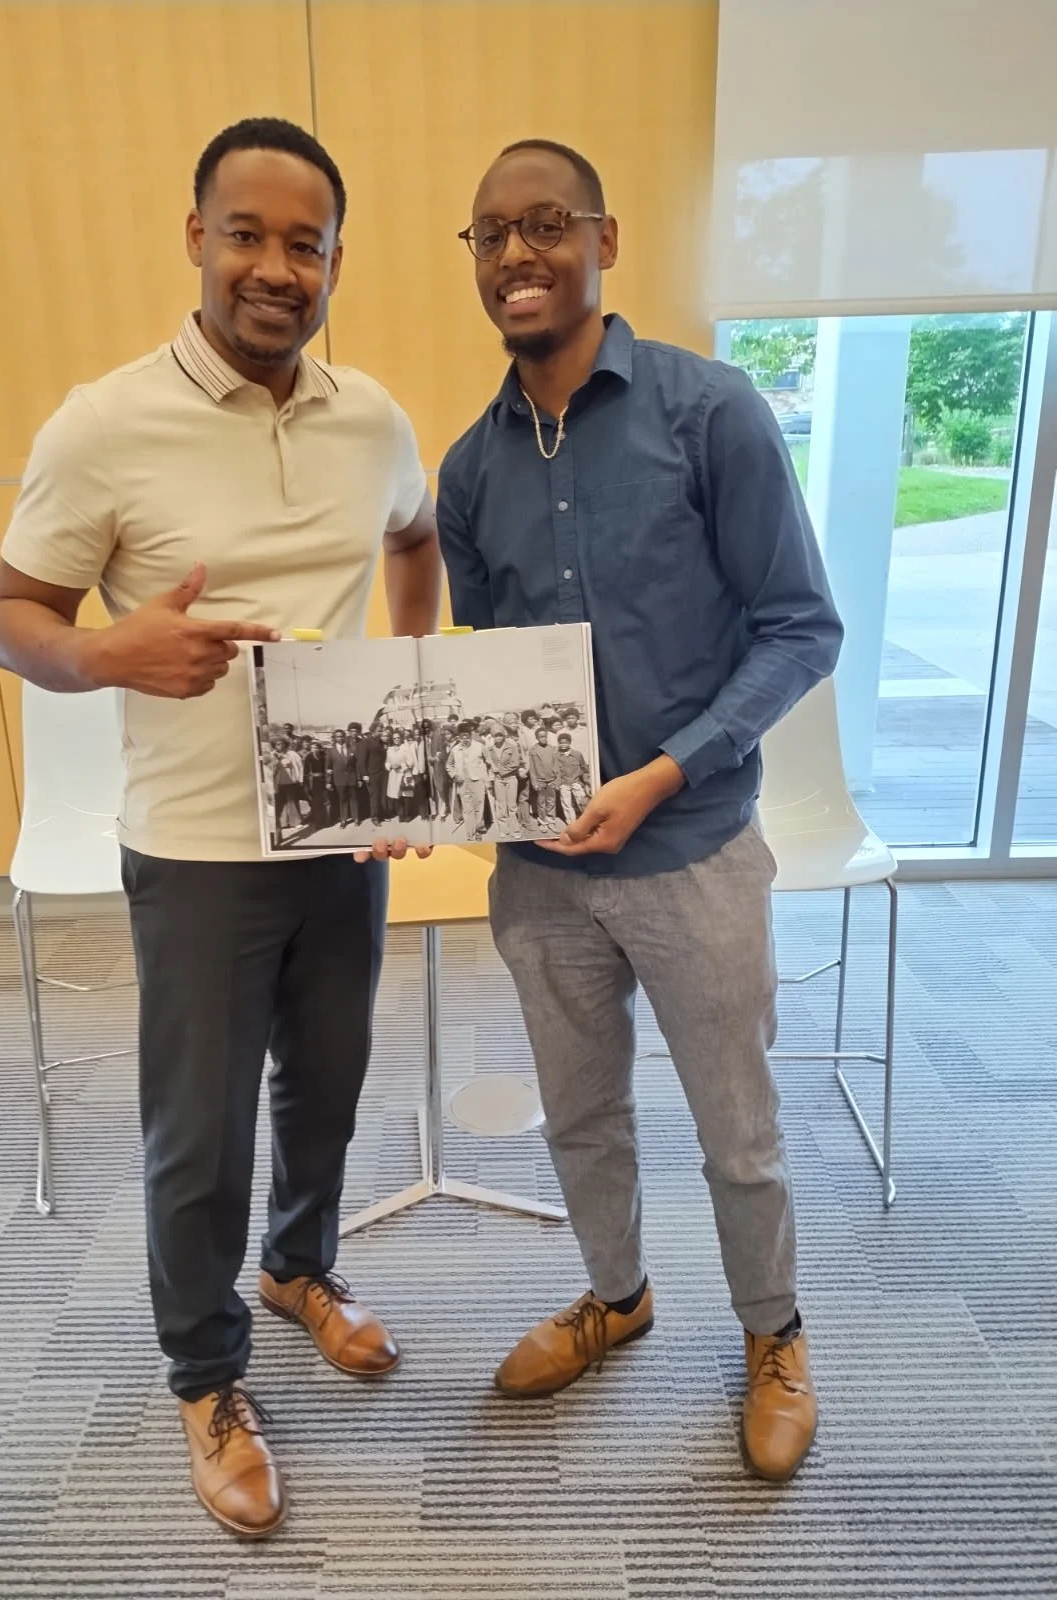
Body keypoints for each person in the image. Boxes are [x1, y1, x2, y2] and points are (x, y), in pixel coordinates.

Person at [0, 116, 440, 1539]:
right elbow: (14, 621)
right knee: (200, 1133)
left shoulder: (372, 416)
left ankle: (299, 1270)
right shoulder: (103, 423)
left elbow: (414, 544)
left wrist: (410, 726)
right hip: (192, 852)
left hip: (338, 840)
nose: (275, 267)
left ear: (335, 261)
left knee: (328, 1085)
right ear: (197, 238)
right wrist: (113, 653)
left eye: (305, 244)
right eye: (246, 233)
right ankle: (206, 1375)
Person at [436, 138, 842, 1483]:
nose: (517, 256)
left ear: (606, 238)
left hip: (692, 850)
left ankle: (773, 1332)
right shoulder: (467, 467)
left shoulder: (708, 410)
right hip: (541, 874)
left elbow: (798, 628)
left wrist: (669, 767)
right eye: (490, 235)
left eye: (545, 224)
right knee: (579, 1116)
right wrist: (423, 786)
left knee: (738, 1129)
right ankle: (616, 1293)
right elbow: (486, 678)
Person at [447, 722, 491, 841]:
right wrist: (454, 775)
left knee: (478, 807)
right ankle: (470, 833)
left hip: (477, 781)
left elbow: (489, 762)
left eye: (466, 735)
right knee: (467, 809)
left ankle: (478, 829)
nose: (464, 738)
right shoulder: (455, 749)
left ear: (470, 735)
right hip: (462, 783)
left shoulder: (480, 746)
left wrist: (487, 778)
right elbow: (449, 765)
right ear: (459, 737)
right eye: (462, 736)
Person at [486, 724, 524, 839]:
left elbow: (515, 764)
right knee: (501, 805)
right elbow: (489, 762)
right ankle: (504, 829)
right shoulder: (490, 749)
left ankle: (515, 829)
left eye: (500, 735)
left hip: (511, 779)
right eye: (495, 736)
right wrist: (492, 768)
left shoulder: (511, 747)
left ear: (503, 736)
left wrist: (500, 770)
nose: (498, 737)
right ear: (492, 737)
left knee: (512, 806)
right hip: (498, 780)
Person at [526, 724, 560, 832]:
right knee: (541, 802)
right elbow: (532, 768)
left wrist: (557, 779)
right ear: (537, 738)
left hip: (551, 780)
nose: (543, 738)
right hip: (540, 781)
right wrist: (534, 782)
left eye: (545, 736)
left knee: (551, 801)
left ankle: (551, 820)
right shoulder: (533, 750)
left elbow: (556, 765)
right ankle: (543, 821)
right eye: (541, 737)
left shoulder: (552, 749)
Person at [554, 730, 591, 823]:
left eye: (565, 742)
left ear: (569, 743)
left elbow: (584, 768)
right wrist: (559, 783)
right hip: (564, 784)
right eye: (561, 743)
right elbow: (556, 770)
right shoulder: (556, 755)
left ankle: (587, 821)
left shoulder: (577, 754)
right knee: (566, 804)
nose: (563, 745)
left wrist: (582, 780)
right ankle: (571, 823)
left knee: (582, 802)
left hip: (576, 782)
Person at [384, 726, 419, 822]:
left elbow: (411, 762)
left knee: (406, 795)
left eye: (398, 738)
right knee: (397, 796)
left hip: (404, 774)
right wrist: (390, 766)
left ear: (401, 738)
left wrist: (400, 765)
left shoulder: (405, 748)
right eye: (394, 738)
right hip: (394, 775)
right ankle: (401, 814)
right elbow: (386, 762)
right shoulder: (389, 750)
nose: (396, 740)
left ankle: (408, 815)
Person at [357, 722, 388, 826]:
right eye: (379, 731)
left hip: (382, 773)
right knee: (374, 796)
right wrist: (364, 775)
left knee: (382, 796)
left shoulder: (380, 742)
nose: (381, 733)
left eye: (381, 731)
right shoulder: (365, 743)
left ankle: (381, 815)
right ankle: (374, 817)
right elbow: (361, 761)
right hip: (371, 774)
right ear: (373, 730)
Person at [329, 728, 360, 827]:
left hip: (352, 778)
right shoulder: (331, 751)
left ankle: (356, 818)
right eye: (338, 736)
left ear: (344, 737)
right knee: (342, 800)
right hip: (339, 779)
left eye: (342, 736)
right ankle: (343, 819)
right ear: (335, 738)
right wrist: (328, 781)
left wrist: (358, 778)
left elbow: (356, 765)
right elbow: (328, 767)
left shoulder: (351, 749)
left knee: (354, 798)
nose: (340, 738)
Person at [303, 738, 331, 831]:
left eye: (316, 748)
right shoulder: (308, 757)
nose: (314, 750)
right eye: (312, 748)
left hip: (323, 780)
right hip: (313, 782)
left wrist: (328, 781)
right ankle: (318, 822)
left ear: (320, 748)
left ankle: (327, 821)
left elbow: (327, 768)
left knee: (326, 801)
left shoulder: (324, 756)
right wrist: (306, 785)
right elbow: (306, 773)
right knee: (316, 803)